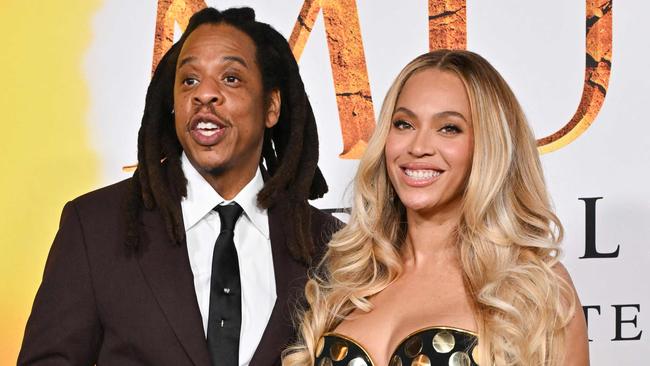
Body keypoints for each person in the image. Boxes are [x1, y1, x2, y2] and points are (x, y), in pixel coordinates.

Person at [19, 7, 340, 366]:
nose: (205, 94)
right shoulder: (94, 226)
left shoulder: (331, 246)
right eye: (189, 80)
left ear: (271, 106)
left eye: (231, 78)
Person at [283, 50, 589, 366]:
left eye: (448, 128)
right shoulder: (351, 277)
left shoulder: (533, 287)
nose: (418, 147)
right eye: (403, 124)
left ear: (487, 146)